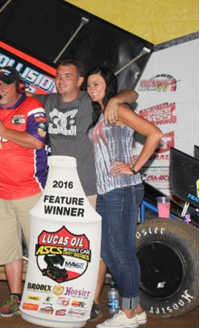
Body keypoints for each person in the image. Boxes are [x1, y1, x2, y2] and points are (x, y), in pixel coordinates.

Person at [37, 59, 138, 320]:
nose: (61, 80)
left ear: (79, 81)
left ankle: (96, 301)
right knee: (72, 247)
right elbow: (17, 98)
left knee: (104, 250)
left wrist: (116, 100)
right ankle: (70, 298)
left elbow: (132, 94)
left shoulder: (90, 99)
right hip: (61, 189)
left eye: (67, 76)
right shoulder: (48, 102)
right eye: (58, 76)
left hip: (94, 187)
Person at [87, 67, 162, 328]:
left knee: (124, 253)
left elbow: (155, 134)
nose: (91, 88)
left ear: (107, 85)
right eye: (89, 85)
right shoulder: (103, 113)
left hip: (122, 188)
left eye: (96, 83)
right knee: (108, 251)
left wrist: (134, 166)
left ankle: (128, 315)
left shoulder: (117, 109)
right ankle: (137, 309)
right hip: (107, 192)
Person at [0, 66, 48, 318]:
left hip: (30, 191)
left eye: (6, 84)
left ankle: (42, 297)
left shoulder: (32, 106)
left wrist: (3, 131)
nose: (0, 89)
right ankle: (16, 296)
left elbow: (37, 141)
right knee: (7, 249)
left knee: (40, 250)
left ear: (18, 86)